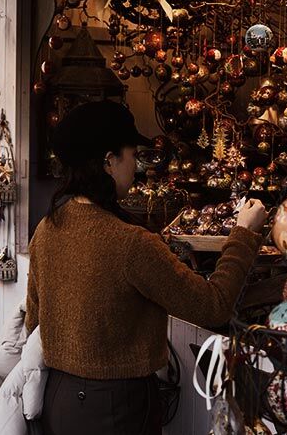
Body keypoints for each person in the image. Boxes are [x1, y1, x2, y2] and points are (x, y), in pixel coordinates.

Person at [25, 101, 268, 435]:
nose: (136, 166)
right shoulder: (130, 243)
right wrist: (243, 234)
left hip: (59, 399)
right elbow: (213, 306)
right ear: (109, 161)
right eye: (132, 155)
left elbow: (33, 321)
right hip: (116, 408)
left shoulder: (47, 228)